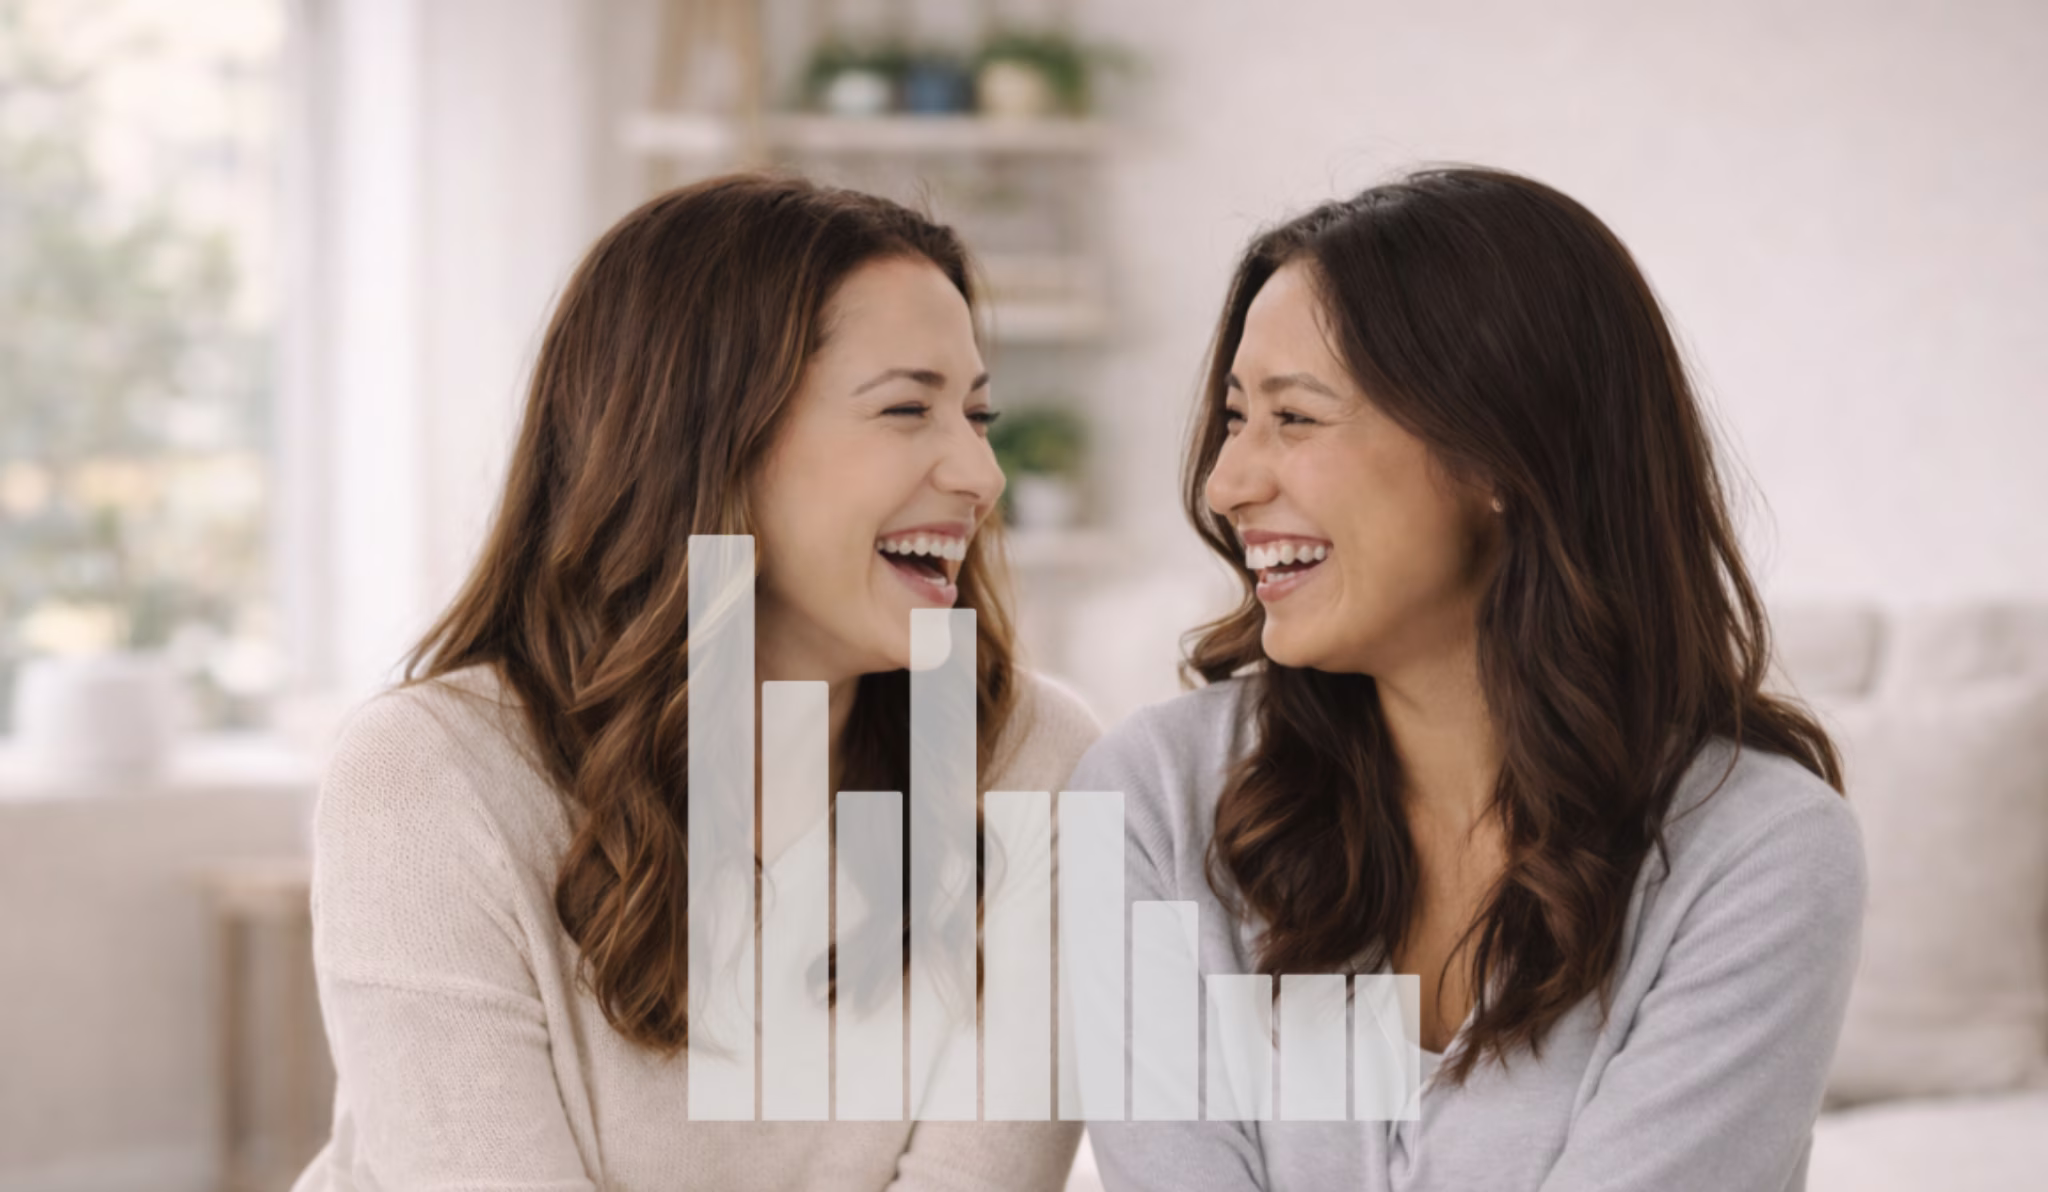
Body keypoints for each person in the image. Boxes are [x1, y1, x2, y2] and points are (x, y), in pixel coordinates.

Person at [292, 174, 1096, 1191]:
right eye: (906, 408)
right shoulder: (431, 773)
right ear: (701, 440)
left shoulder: (1034, 760)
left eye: (976, 415)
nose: (981, 475)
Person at [1070, 166, 1866, 1191]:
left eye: (1295, 419)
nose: (1227, 484)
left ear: (1495, 455)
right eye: (1233, 417)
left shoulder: (1757, 853)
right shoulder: (1148, 798)